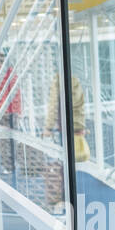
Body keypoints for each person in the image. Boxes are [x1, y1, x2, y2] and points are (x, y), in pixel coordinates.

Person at [44, 73, 87, 213]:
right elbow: (81, 106)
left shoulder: (58, 81)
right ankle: (75, 200)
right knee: (74, 166)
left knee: (64, 167)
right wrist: (81, 127)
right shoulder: (75, 81)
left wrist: (48, 127)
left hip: (64, 130)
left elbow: (53, 107)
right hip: (77, 128)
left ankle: (65, 202)